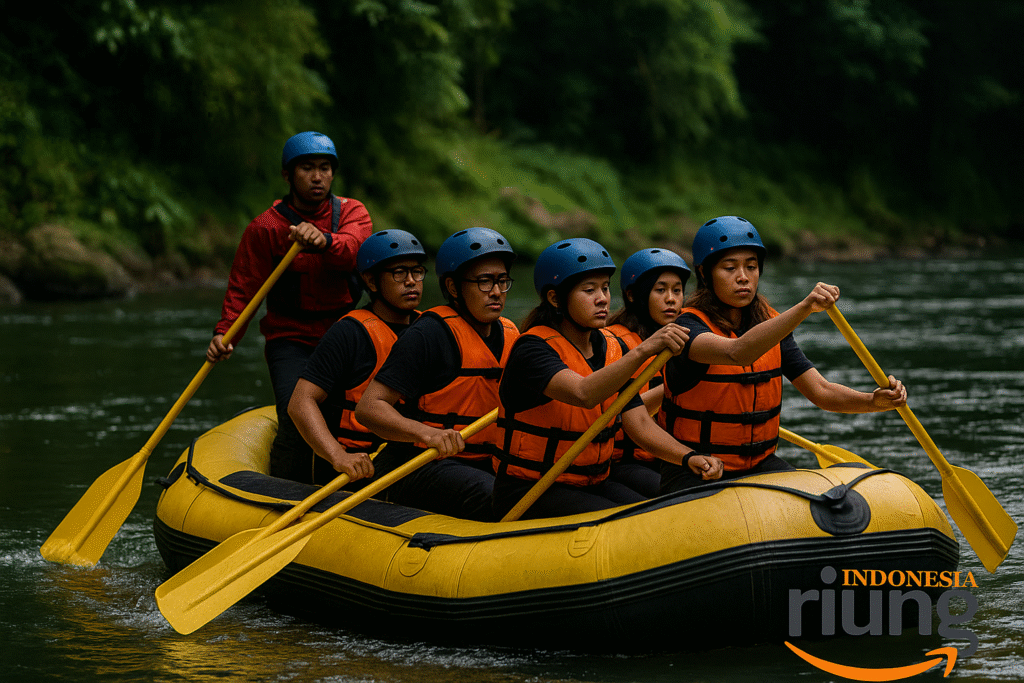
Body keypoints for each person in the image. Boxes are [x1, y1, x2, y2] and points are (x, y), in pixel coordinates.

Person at [658, 216, 908, 493]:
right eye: (730, 268)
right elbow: (736, 353)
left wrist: (873, 401)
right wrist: (804, 307)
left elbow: (821, 391)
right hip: (697, 469)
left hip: (760, 466)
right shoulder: (686, 327)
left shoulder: (770, 326)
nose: (743, 277)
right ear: (705, 273)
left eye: (751, 267)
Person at [492, 238, 723, 520]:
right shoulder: (532, 349)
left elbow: (637, 423)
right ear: (555, 298)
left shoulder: (609, 348)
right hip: (531, 490)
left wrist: (687, 456)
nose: (602, 298)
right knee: (639, 522)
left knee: (670, 508)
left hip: (593, 481)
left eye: (604, 288)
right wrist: (644, 349)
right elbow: (583, 393)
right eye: (589, 290)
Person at [207, 131, 373, 469]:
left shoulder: (353, 213)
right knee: (296, 417)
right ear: (288, 176)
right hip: (290, 338)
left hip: (343, 334)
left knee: (351, 417)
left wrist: (325, 240)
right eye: (307, 168)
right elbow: (245, 289)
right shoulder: (266, 228)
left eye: (325, 168)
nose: (317, 177)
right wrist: (226, 335)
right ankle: (282, 485)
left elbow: (353, 250)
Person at [355, 228, 519, 521]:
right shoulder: (428, 334)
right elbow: (369, 408)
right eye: (484, 281)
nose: (496, 291)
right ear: (454, 288)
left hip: (485, 460)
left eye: (502, 281)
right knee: (495, 495)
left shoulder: (511, 333)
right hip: (420, 463)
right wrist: (427, 434)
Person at [281, 229, 427, 485]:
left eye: (417, 272)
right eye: (399, 273)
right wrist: (338, 456)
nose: (412, 281)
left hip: (410, 457)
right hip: (358, 465)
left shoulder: (429, 329)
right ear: (371, 282)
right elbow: (300, 402)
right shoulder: (349, 332)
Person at [605, 247, 692, 497]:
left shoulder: (689, 339)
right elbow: (618, 414)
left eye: (677, 290)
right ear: (634, 295)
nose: (671, 299)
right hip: (624, 461)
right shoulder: (613, 343)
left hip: (669, 454)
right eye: (660, 290)